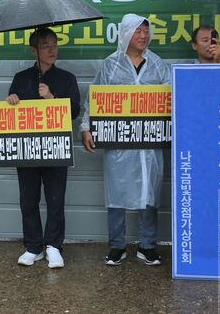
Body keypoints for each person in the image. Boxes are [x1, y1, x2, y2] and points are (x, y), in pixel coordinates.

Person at [81, 14, 171, 266]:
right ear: (125, 34)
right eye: (138, 31)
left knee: (149, 192)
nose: (143, 36)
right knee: (117, 192)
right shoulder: (110, 65)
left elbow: (172, 97)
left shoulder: (157, 64)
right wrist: (86, 127)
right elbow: (93, 100)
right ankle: (117, 246)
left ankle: (147, 245)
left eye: (146, 31)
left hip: (149, 143)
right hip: (118, 142)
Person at [6, 27, 80, 269]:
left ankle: (54, 246)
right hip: (26, 147)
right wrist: (11, 101)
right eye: (45, 45)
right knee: (28, 199)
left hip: (56, 146)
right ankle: (33, 246)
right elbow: (10, 110)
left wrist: (51, 98)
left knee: (55, 199)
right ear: (33, 50)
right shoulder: (21, 78)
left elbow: (75, 111)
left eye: (54, 44)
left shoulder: (67, 78)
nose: (51, 49)